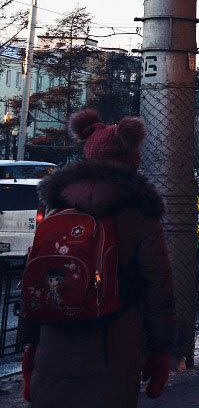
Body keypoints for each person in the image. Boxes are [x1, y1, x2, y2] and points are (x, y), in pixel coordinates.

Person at [19, 109, 175, 407]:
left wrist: (30, 346)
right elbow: (159, 285)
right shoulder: (139, 211)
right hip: (113, 341)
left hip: (54, 338)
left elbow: (34, 277)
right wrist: (160, 350)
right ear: (131, 159)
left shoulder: (58, 206)